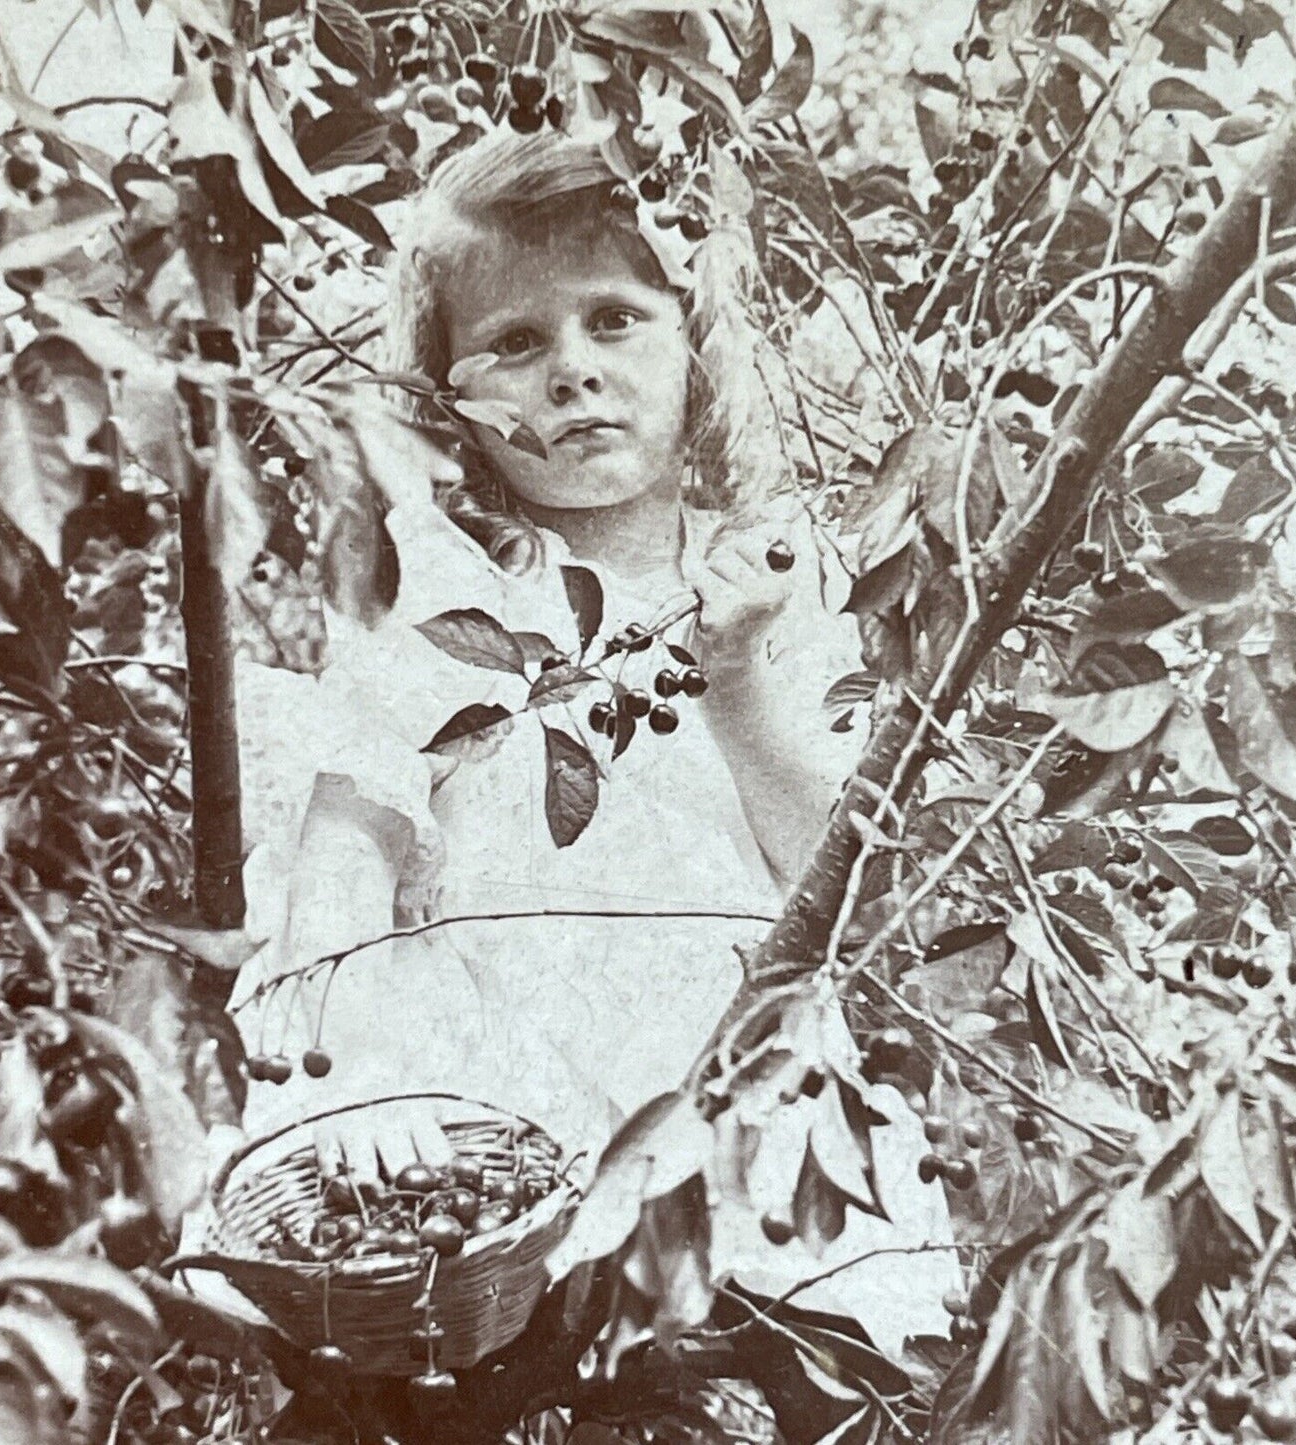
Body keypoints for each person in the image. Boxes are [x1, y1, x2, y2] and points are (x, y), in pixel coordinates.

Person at [215, 127, 958, 1433]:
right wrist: (355, 1090)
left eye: (615, 320)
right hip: (502, 1116)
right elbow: (347, 846)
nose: (573, 373)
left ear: (691, 344)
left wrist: (731, 672)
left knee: (785, 1390)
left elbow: (837, 878)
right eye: (514, 342)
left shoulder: (784, 572)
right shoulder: (436, 587)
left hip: (736, 1104)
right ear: (449, 392)